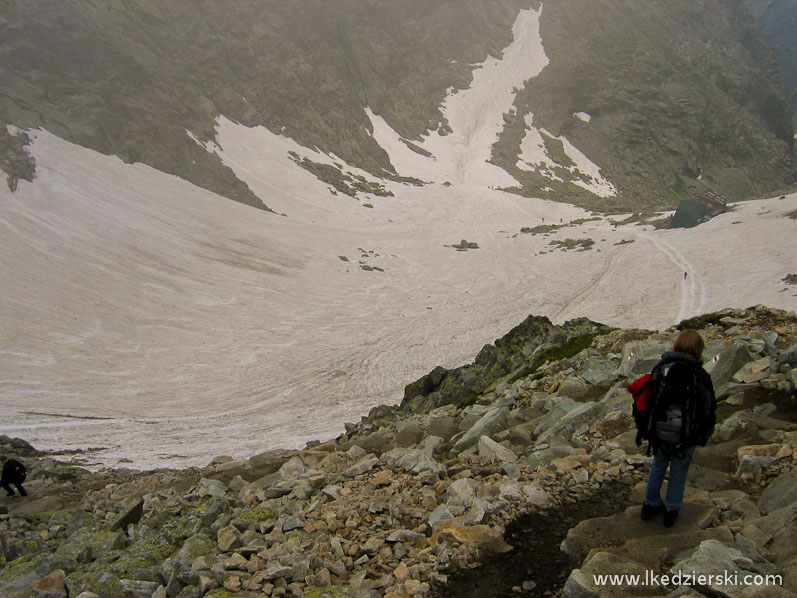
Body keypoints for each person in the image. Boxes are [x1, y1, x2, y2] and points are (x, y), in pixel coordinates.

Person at [640, 329, 716, 527]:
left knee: (658, 465)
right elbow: (707, 405)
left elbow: (649, 398)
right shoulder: (699, 374)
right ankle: (671, 508)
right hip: (686, 433)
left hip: (660, 431)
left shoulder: (661, 368)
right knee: (679, 469)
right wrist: (704, 431)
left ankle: (650, 504)